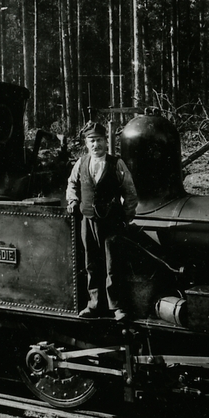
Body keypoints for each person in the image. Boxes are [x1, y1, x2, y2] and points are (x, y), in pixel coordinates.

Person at [65, 121, 138, 321]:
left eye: (99, 140)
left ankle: (117, 307)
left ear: (106, 142)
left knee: (113, 264)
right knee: (91, 263)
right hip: (87, 221)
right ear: (86, 144)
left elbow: (130, 192)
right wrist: (72, 200)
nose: (95, 145)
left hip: (111, 222)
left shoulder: (117, 164)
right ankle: (94, 305)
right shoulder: (81, 163)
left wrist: (126, 215)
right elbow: (72, 184)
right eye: (91, 141)